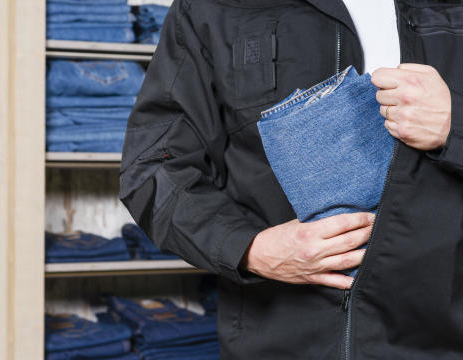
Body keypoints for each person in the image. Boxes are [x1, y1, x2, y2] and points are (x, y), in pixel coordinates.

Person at [119, 0, 463, 358]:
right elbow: (153, 167)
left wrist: (455, 124)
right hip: (278, 340)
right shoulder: (215, 6)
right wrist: (251, 249)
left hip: (441, 340)